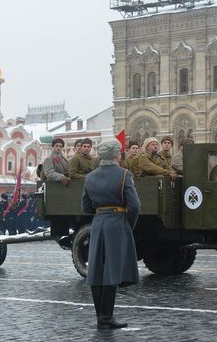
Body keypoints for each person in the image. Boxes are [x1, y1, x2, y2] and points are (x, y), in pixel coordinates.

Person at [82, 139, 140, 329]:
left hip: (98, 223)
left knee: (96, 270)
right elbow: (134, 206)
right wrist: (127, 224)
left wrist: (101, 214)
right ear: (117, 155)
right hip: (117, 222)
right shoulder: (124, 174)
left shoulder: (90, 177)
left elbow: (86, 207)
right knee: (112, 270)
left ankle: (101, 317)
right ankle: (106, 318)